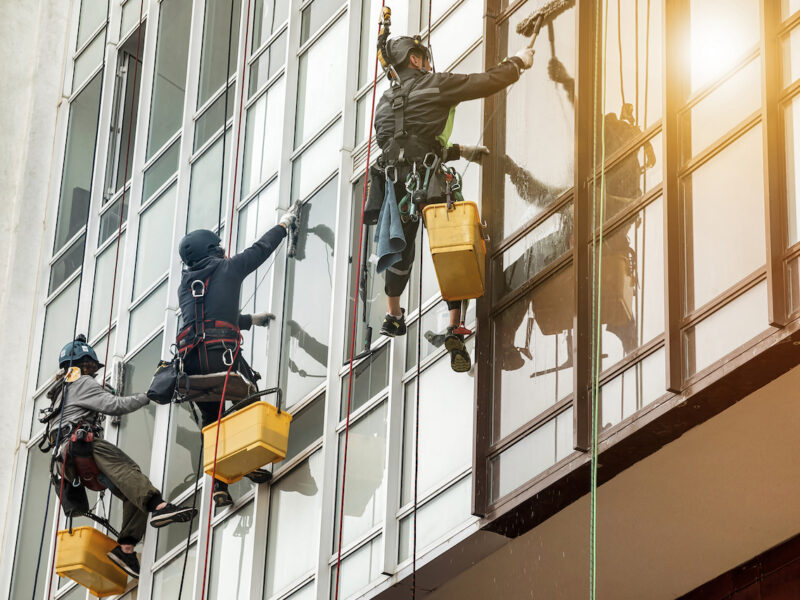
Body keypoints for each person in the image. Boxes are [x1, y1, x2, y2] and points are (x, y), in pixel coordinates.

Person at [370, 33, 535, 372]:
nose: (428, 64)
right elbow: (482, 83)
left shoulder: (385, 103)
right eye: (423, 58)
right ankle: (454, 325)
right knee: (455, 247)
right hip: (430, 184)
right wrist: (517, 64)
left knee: (400, 250)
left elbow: (404, 144)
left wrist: (459, 152)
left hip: (396, 188)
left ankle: (393, 313)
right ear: (414, 60)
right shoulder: (434, 85)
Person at [42, 336, 197, 579]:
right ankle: (159, 506)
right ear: (81, 365)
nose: (92, 373)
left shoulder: (62, 391)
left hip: (66, 462)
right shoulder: (81, 382)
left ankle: (125, 548)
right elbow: (114, 405)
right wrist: (148, 396)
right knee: (127, 469)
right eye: (90, 367)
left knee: (129, 492)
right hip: (80, 446)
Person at [176, 206, 298, 507]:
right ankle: (252, 459)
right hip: (222, 356)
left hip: (191, 365)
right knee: (248, 398)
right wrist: (284, 224)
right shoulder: (227, 269)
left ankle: (218, 485)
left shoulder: (185, 286)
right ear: (213, 249)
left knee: (210, 420)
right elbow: (260, 250)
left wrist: (248, 320)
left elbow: (207, 316)